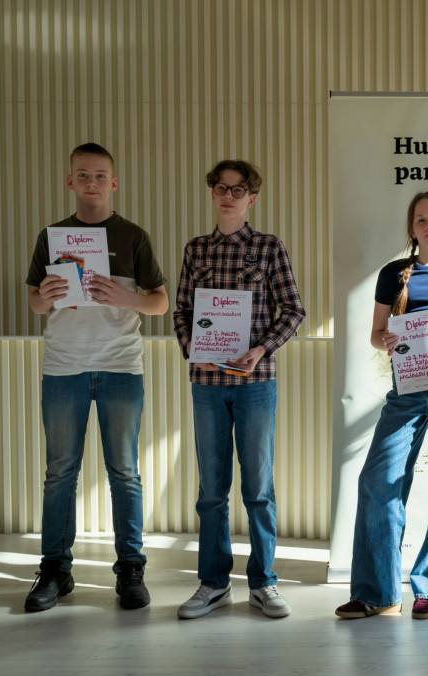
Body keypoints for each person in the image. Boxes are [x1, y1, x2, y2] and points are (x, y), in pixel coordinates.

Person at [24, 142, 168, 612]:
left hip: (120, 366)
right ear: (70, 181)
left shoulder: (133, 236)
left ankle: (131, 569)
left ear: (114, 183)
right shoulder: (51, 236)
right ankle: (55, 570)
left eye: (100, 175)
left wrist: (128, 299)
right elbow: (35, 302)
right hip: (63, 366)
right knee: (59, 473)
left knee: (124, 471)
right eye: (83, 175)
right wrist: (46, 295)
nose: (92, 182)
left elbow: (160, 301)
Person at [335, 191, 428, 621]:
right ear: (412, 229)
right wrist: (384, 340)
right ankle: (378, 593)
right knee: (377, 480)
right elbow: (375, 334)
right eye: (421, 219)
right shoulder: (394, 274)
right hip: (408, 383)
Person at [172, 160, 306, 619]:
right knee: (212, 490)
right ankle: (213, 584)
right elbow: (181, 312)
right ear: (212, 193)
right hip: (207, 384)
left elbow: (294, 310)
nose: (228, 195)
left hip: (256, 383)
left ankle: (263, 582)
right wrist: (193, 349)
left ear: (252, 198)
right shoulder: (196, 250)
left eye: (238, 189)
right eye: (220, 187)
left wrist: (260, 350)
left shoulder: (268, 247)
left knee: (259, 488)